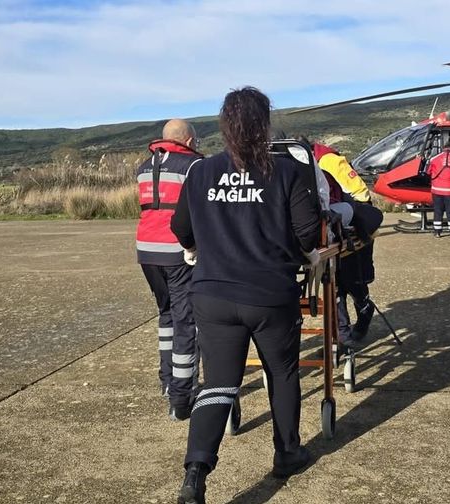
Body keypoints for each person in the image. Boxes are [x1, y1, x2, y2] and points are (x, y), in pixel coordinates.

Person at [171, 87, 320, 504]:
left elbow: (181, 230)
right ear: (264, 125)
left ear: (225, 125)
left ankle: (196, 472)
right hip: (270, 295)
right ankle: (287, 452)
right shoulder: (286, 171)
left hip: (213, 293)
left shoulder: (200, 173)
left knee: (218, 383)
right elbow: (308, 233)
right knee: (283, 372)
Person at [135, 118, 203, 421]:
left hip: (146, 251)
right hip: (177, 251)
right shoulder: (193, 166)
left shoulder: (144, 166)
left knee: (166, 316)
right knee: (186, 321)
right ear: (188, 141)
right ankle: (182, 392)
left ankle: (166, 380)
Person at [305, 138, 382, 350]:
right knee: (334, 285)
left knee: (353, 280)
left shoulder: (327, 160)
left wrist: (351, 217)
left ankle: (364, 308)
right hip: (327, 228)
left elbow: (360, 192)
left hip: (351, 226)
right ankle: (343, 335)